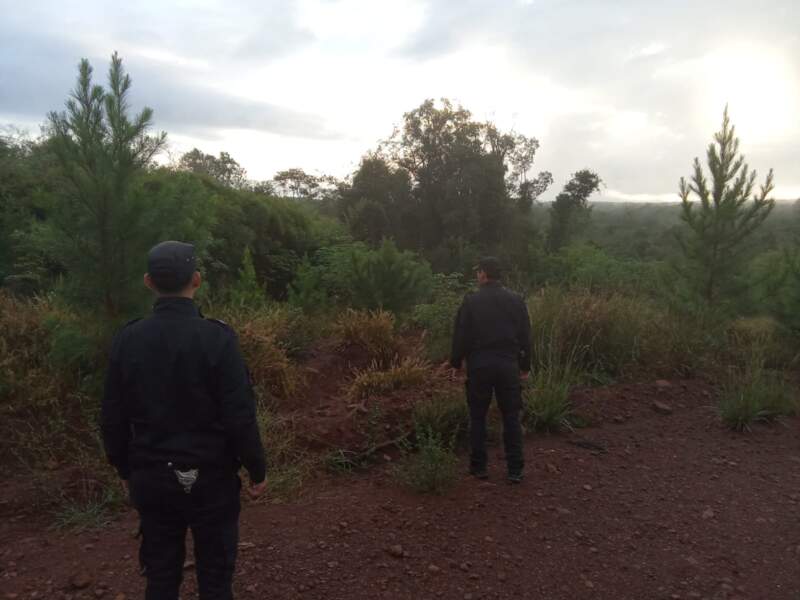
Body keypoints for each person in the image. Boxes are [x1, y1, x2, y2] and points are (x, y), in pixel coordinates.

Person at [101, 241, 267, 600]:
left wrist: (124, 470)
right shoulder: (218, 339)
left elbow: (112, 417)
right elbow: (240, 416)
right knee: (216, 578)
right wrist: (257, 470)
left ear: (148, 282)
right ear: (197, 280)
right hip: (213, 479)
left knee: (160, 576)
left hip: (152, 477)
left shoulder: (127, 339)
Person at [448, 256, 531, 484]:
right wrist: (525, 365)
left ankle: (479, 468)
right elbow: (525, 335)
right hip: (507, 365)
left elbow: (461, 335)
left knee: (478, 416)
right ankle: (515, 470)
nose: (477, 275)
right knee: (511, 416)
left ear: (483, 274)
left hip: (480, 365)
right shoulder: (516, 300)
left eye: (478, 272)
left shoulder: (471, 301)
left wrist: (455, 363)